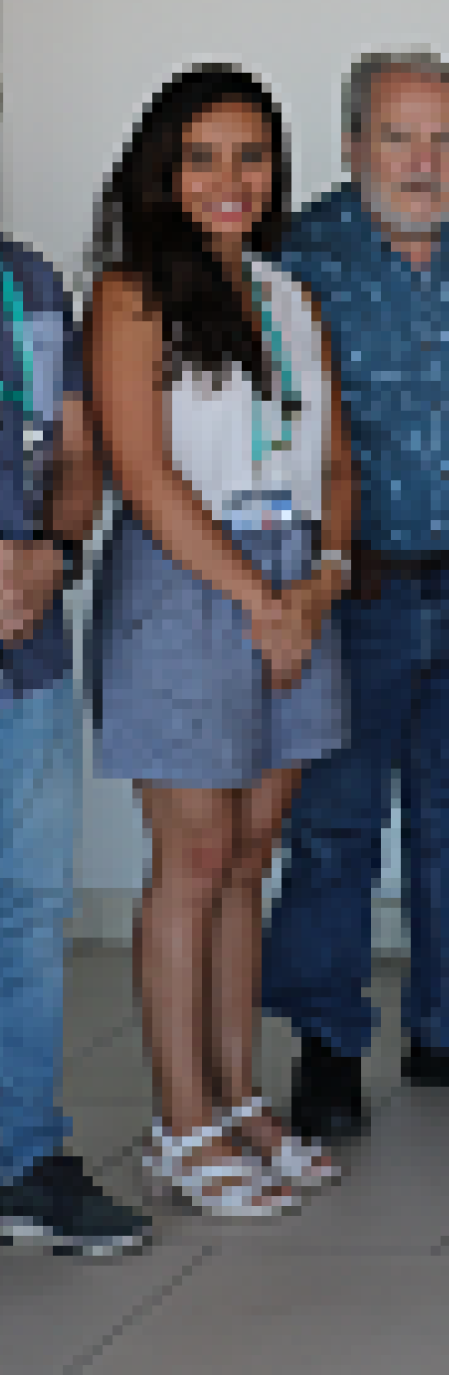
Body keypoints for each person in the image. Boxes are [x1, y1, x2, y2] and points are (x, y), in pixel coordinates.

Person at [260, 50, 449, 1145]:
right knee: (336, 827)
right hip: (349, 592)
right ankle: (328, 1046)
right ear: (352, 145)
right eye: (399, 137)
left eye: (443, 139)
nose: (423, 162)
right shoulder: (296, 258)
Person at [88, 65, 354, 1214]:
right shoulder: (131, 294)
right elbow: (143, 476)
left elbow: (337, 465)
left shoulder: (292, 295)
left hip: (297, 581)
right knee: (192, 861)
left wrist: (320, 583)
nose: (229, 180)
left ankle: (244, 1099)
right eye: (203, 157)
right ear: (164, 169)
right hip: (190, 582)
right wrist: (257, 599)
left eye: (251, 156)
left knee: (253, 854)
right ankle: (180, 1122)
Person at [0, 77, 148, 1254]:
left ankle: (23, 1160)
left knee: (31, 911)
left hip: (27, 654)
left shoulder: (32, 283)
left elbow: (82, 453)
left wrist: (55, 549)